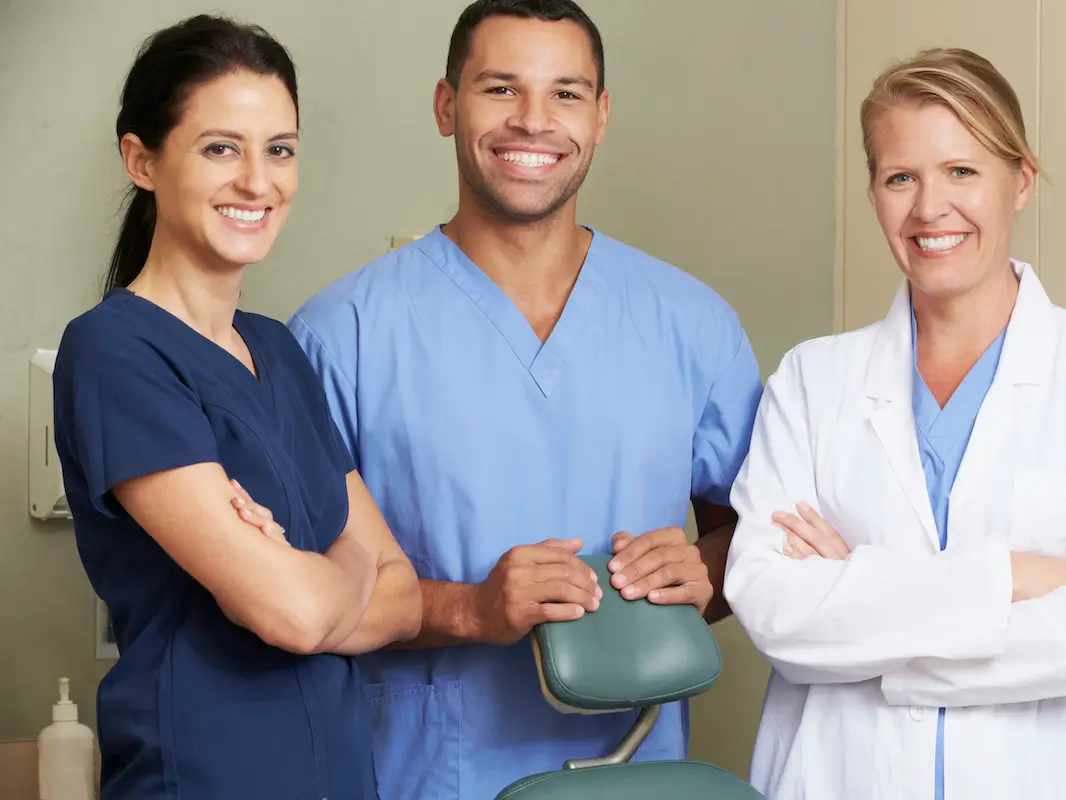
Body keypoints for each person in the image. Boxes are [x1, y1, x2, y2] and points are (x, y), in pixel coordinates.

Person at [286, 0, 764, 796]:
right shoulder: (343, 335)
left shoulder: (691, 323)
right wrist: (470, 608)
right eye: (500, 89)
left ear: (602, 116)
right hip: (425, 774)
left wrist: (701, 574)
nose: (533, 121)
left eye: (567, 93)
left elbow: (751, 538)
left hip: (637, 772)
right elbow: (299, 592)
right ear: (447, 106)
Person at [724, 46, 1066, 800]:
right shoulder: (812, 383)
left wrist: (865, 603)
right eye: (900, 177)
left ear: (1022, 181)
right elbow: (774, 611)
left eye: (963, 172)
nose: (928, 208)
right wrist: (1008, 577)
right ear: (874, 191)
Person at [51, 15, 421, 799]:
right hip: (201, 778)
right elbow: (292, 614)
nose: (259, 180)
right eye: (222, 147)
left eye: (279, 149)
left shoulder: (279, 351)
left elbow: (407, 596)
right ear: (141, 159)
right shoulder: (115, 353)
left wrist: (309, 572)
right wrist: (341, 571)